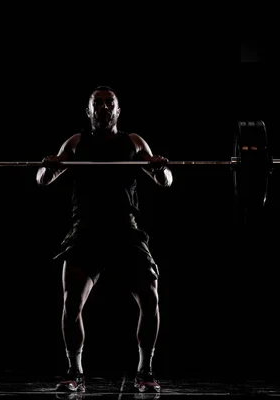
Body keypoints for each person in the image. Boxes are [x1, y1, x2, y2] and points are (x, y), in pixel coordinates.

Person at [36, 86, 172, 394]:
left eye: (109, 104)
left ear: (118, 110)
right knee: (71, 303)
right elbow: (43, 180)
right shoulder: (75, 142)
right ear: (89, 111)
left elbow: (165, 182)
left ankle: (145, 372)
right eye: (97, 104)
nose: (103, 109)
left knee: (151, 297)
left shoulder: (134, 142)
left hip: (125, 229)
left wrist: (161, 169)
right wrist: (47, 167)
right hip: (86, 230)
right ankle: (75, 372)